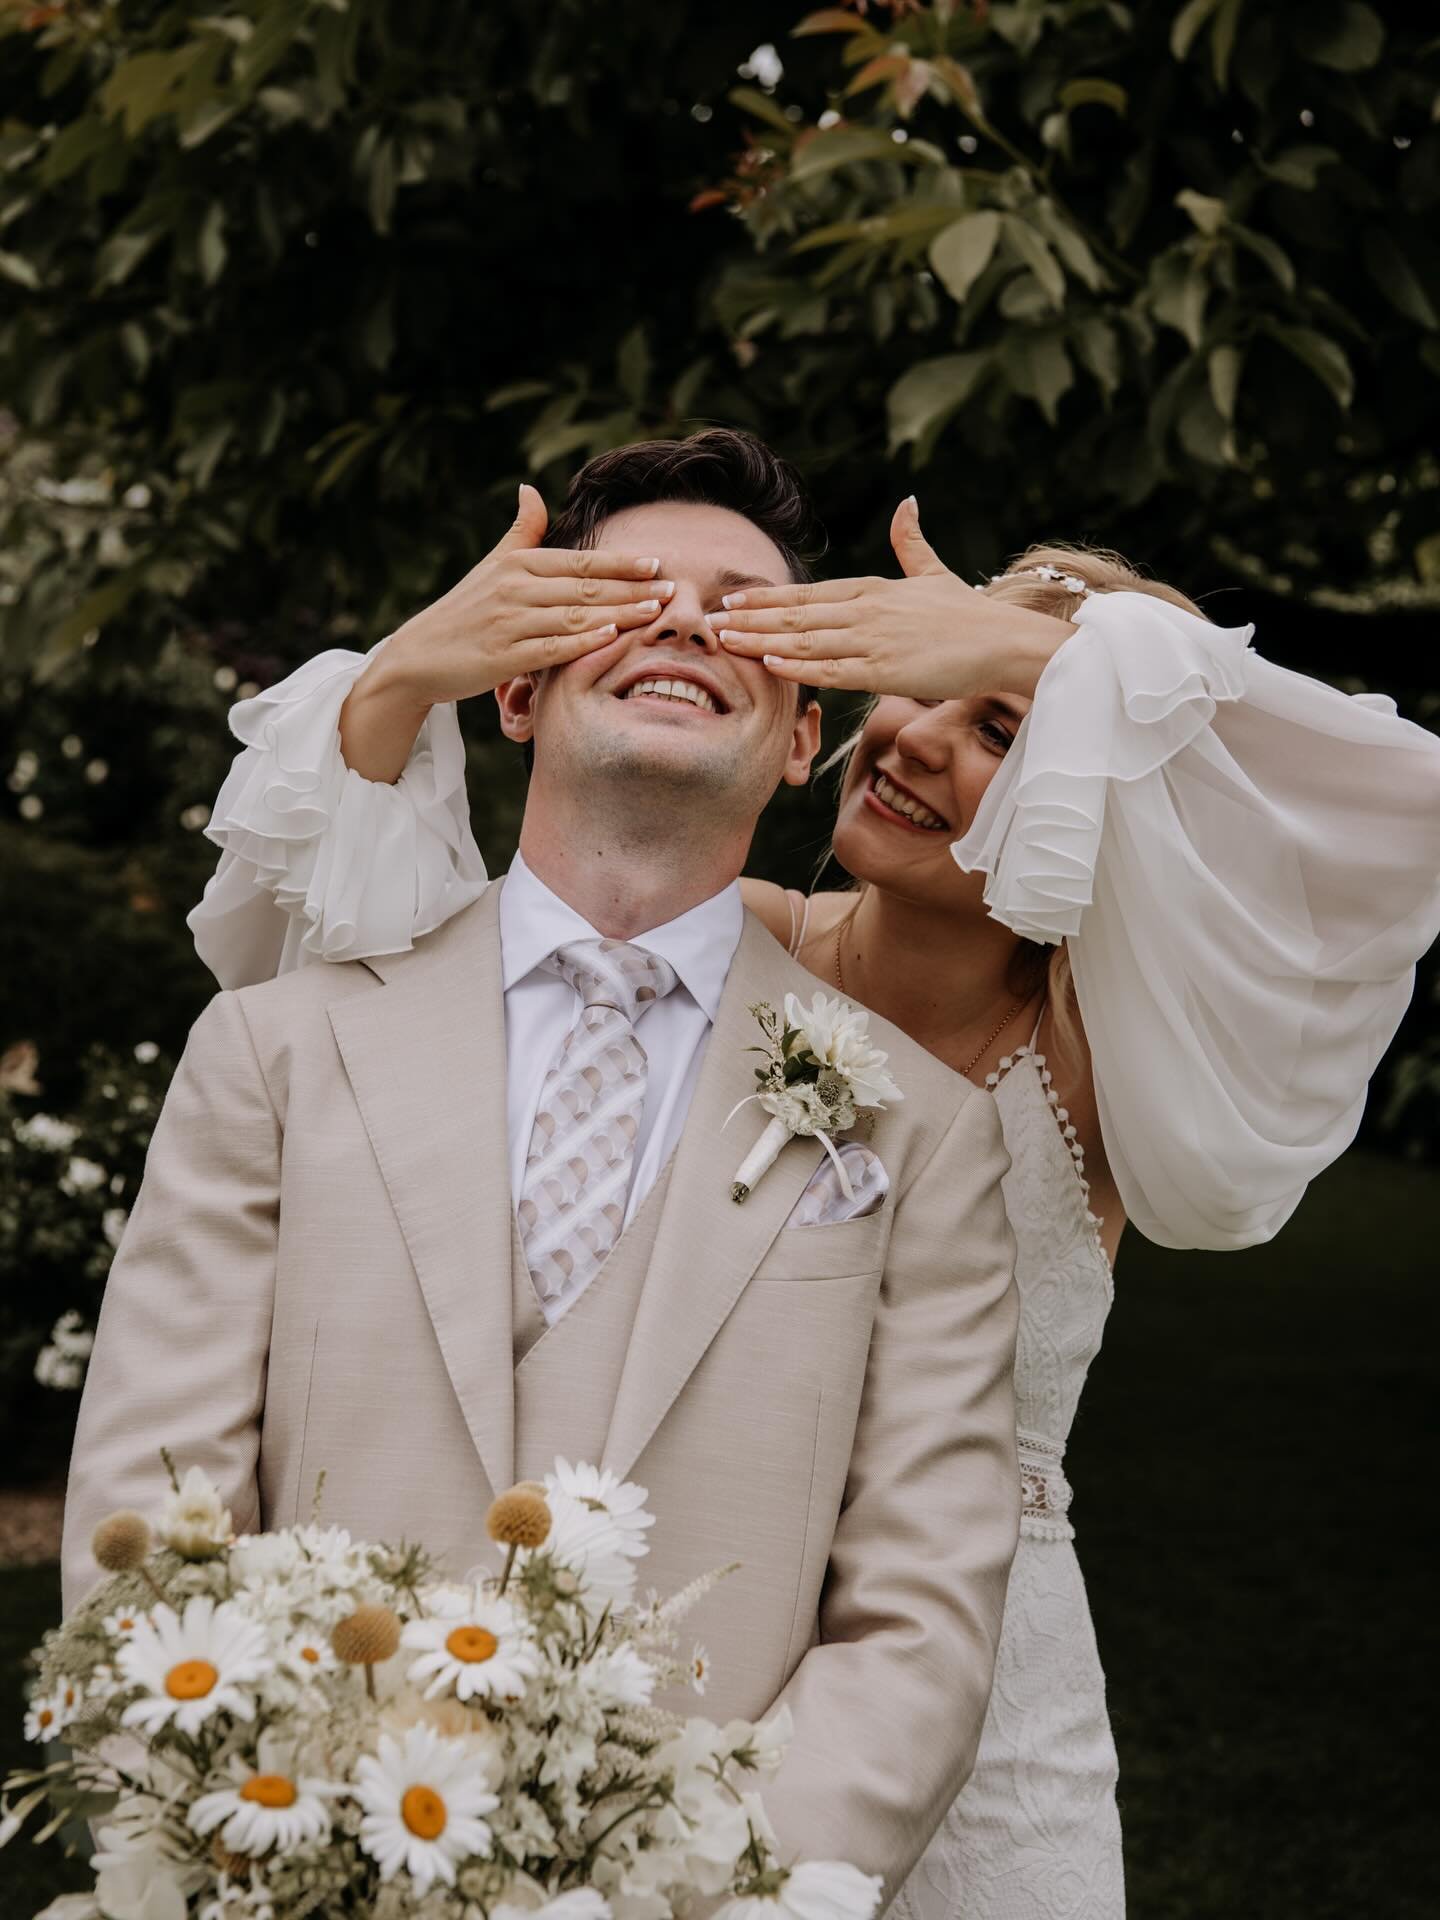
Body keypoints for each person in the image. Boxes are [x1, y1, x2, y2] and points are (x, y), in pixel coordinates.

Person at [182, 430, 1440, 1920]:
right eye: (915, 689)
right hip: (696, 1636)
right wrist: (401, 676)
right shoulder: (720, 945)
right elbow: (395, 987)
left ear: (1092, 783)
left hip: (981, 1690)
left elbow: (1397, 813)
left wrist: (1037, 650)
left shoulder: (1107, 1054)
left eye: (1000, 727)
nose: (915, 740)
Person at [63, 430, 1024, 1908]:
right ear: (514, 688)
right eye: (624, 593)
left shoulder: (926, 1134)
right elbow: (149, 1515)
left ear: (799, 740)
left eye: (743, 610)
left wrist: (692, 1895)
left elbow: (917, 1622)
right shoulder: (274, 1051)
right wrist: (254, 1852)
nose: (684, 620)